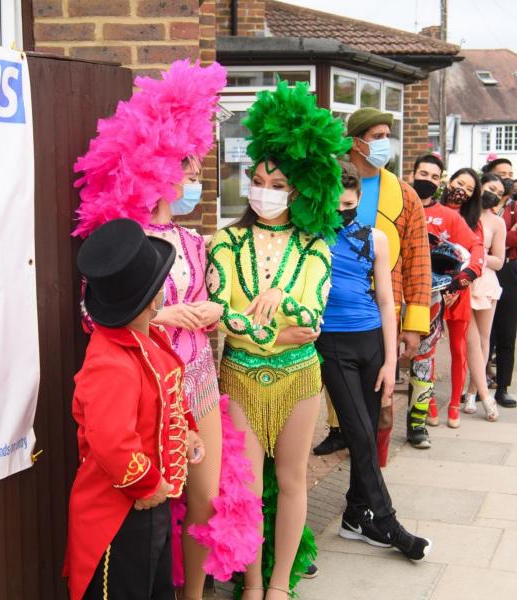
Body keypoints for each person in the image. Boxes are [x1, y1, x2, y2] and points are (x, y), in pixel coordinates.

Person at [71, 61, 261, 599]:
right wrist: (165, 317)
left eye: (196, 169)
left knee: (203, 498)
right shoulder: (125, 236)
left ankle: (193, 594)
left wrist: (212, 311)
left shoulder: (195, 240)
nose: (191, 179)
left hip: (197, 374)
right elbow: (94, 314)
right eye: (186, 167)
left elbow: (207, 297)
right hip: (148, 382)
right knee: (154, 498)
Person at [206, 80, 346, 598]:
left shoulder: (315, 245)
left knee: (291, 481)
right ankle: (248, 583)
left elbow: (311, 317)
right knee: (244, 487)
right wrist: (270, 329)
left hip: (298, 378)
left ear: (302, 189)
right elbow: (223, 314)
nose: (264, 189)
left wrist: (279, 301)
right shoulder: (225, 239)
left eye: (278, 183)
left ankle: (279, 585)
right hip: (240, 374)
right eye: (259, 178)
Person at [65, 218, 206, 600]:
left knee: (154, 589)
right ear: (154, 298)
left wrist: (188, 432)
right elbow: (111, 440)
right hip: (120, 512)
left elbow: (169, 394)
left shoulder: (150, 338)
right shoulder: (111, 362)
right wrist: (147, 484)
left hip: (150, 501)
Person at [317, 160, 430, 559]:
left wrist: (389, 361)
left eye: (348, 204)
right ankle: (387, 522)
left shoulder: (377, 238)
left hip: (371, 341)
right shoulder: (311, 235)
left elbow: (386, 299)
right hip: (332, 342)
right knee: (359, 435)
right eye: (334, 205)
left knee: (368, 432)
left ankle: (353, 515)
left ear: (359, 199)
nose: (341, 212)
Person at [313, 107, 432, 457]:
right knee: (336, 397)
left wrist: (414, 323)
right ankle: (340, 434)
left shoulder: (405, 194)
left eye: (386, 136)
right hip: (329, 313)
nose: (384, 143)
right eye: (377, 136)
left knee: (379, 405)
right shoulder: (329, 182)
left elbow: (418, 261)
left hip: (382, 312)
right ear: (355, 142)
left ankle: (372, 469)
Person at [407, 156, 484, 447]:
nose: (427, 178)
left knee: (424, 361)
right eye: (422, 172)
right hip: (392, 297)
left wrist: (464, 277)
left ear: (440, 182)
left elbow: (475, 247)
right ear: (413, 174)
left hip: (431, 300)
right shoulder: (397, 206)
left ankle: (417, 423)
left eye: (434, 175)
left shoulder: (449, 216)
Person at [463, 174, 506, 418]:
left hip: (485, 281)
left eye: (500, 193)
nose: (495, 194)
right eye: (491, 188)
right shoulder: (463, 214)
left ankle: (473, 392)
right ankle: (481, 393)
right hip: (462, 281)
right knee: (469, 340)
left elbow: (500, 261)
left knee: (483, 339)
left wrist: (477, 256)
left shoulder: (497, 223)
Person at [487, 161, 517, 408]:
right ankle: (478, 383)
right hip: (483, 269)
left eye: (510, 175)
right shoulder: (480, 208)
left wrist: (493, 239)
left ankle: (502, 387)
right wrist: (502, 236)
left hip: (508, 270)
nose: (507, 180)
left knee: (506, 330)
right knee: (482, 333)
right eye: (502, 175)